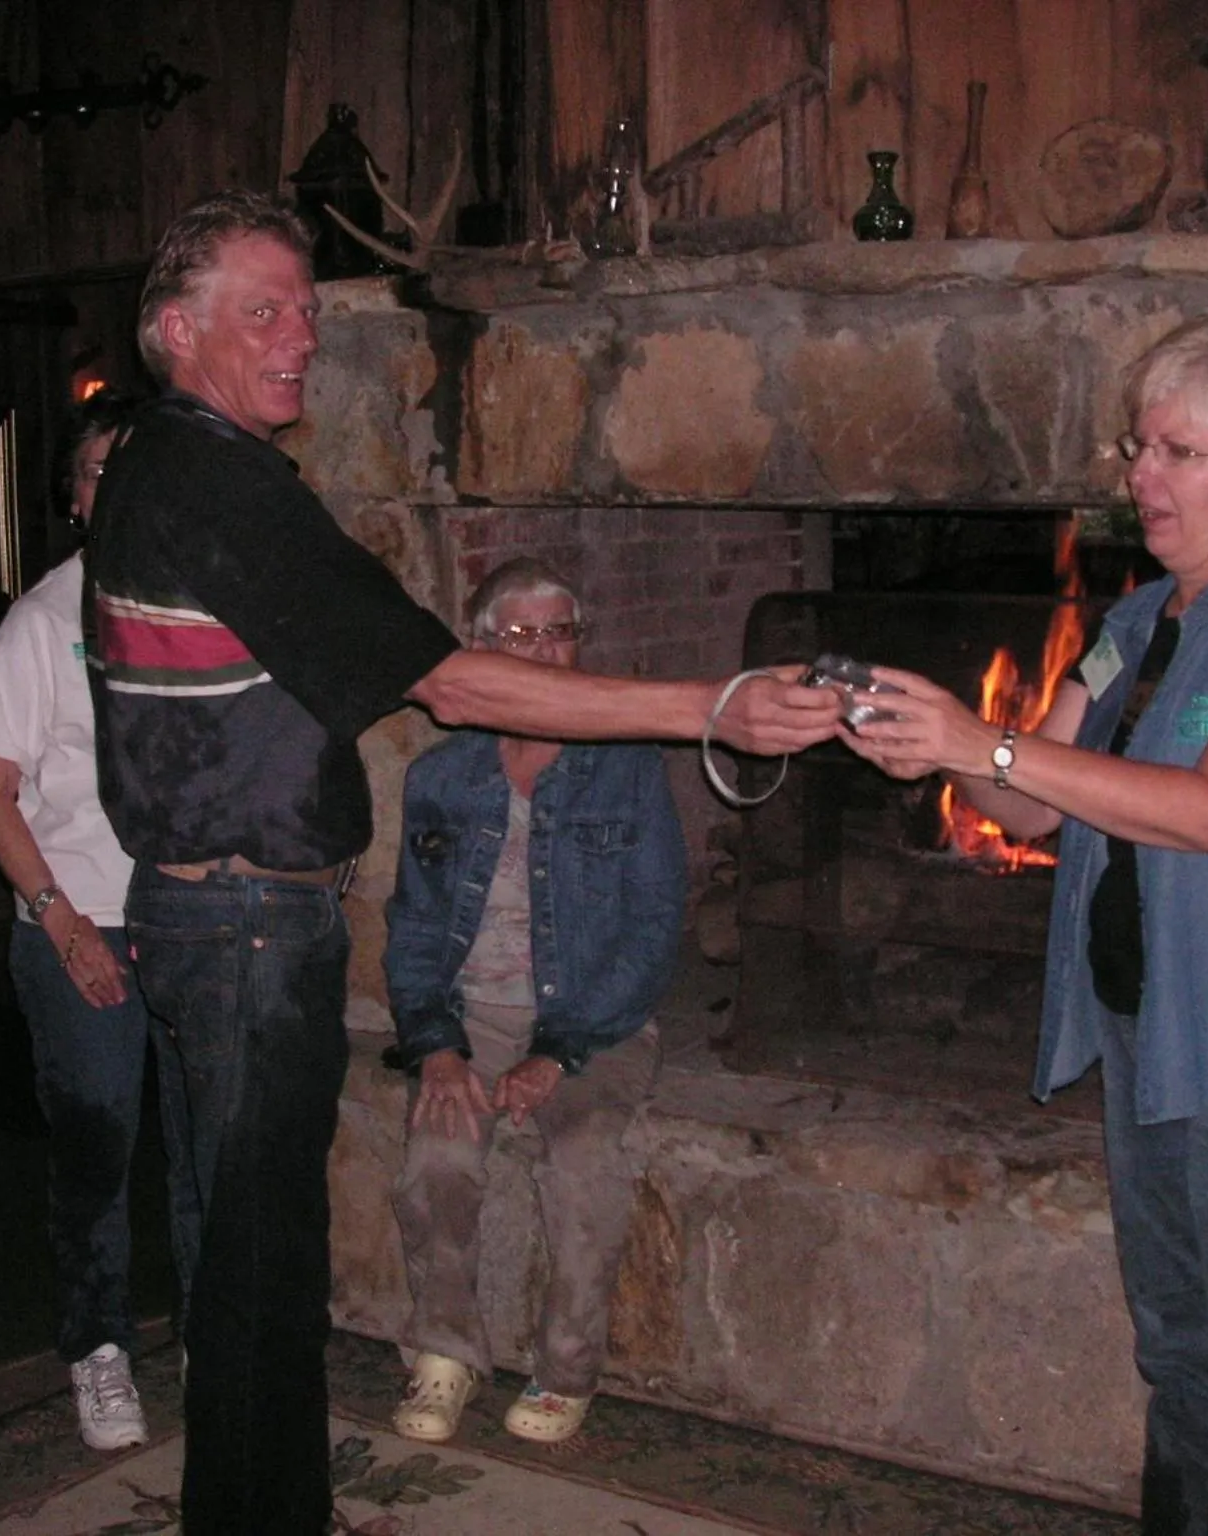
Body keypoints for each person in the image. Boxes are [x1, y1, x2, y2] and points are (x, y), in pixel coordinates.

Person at [83, 189, 838, 1536]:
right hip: (244, 926)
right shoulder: (217, 480)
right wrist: (707, 706)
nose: (301, 336)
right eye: (264, 311)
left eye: (306, 309)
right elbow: (448, 679)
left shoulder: (162, 464)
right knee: (262, 1273)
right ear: (176, 330)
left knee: (249, 1260)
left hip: (216, 919)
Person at [847, 316, 1208, 1535]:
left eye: (1180, 453)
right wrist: (928, 743)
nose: (1140, 476)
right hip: (1145, 1031)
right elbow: (1027, 804)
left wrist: (984, 744)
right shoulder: (1130, 624)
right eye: (1137, 447)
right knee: (1177, 1348)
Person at [383, 557, 682, 1448]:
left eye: (561, 632)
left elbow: (654, 925)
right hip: (473, 1013)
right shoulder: (442, 778)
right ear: (482, 649)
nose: (546, 651)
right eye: (523, 635)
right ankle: (445, 1353)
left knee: (584, 1164)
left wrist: (560, 1050)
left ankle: (565, 1371)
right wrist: (436, 1044)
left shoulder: (625, 766)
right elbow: (414, 927)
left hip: (595, 1019)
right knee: (438, 1156)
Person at [0, 387, 199, 1453]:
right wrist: (60, 923)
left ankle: (211, 1334)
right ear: (75, 496)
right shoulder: (44, 623)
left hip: (192, 919)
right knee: (97, 1147)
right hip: (81, 925)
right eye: (100, 471)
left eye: (134, 469)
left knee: (205, 1145)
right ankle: (98, 1347)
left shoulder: (192, 608)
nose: (118, 487)